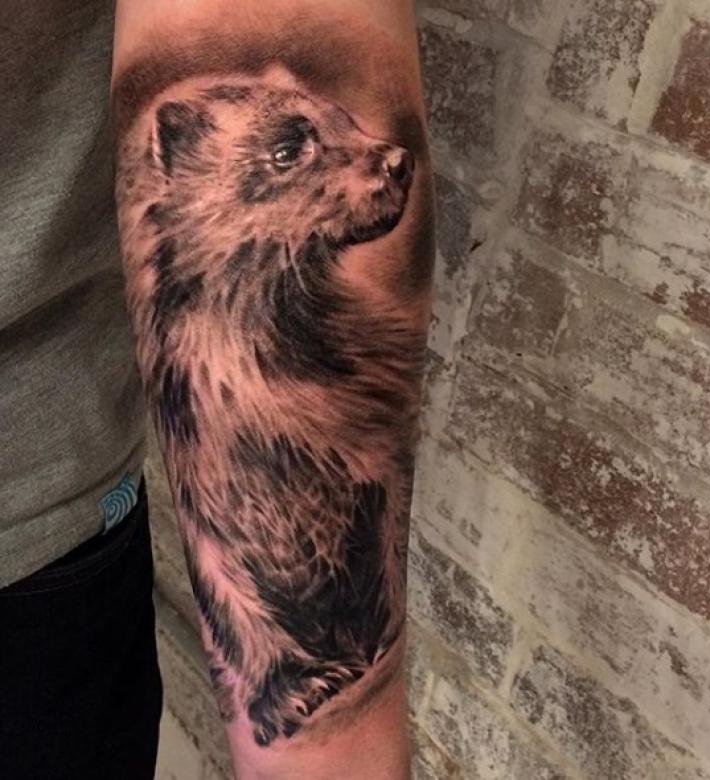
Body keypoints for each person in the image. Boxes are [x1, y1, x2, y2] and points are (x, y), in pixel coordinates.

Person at [0, 1, 434, 778]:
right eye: (292, 150)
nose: (382, 156)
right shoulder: (213, 337)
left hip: (32, 555)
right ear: (187, 164)